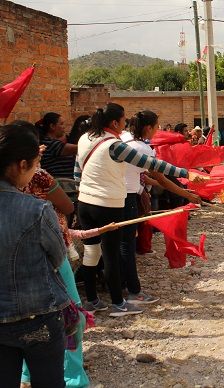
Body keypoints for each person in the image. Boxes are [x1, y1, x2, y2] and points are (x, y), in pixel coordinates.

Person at [75, 103, 201, 317]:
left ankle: (92, 301)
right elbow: (152, 164)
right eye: (124, 120)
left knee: (91, 252)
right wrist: (186, 174)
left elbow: (77, 171)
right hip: (107, 204)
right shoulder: (114, 145)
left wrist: (83, 193)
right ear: (115, 122)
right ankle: (118, 304)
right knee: (111, 254)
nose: (126, 124)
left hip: (85, 203)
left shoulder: (85, 138)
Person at [0, 124, 70, 387]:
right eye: (35, 164)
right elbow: (58, 257)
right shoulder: (37, 209)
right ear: (21, 165)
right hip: (37, 316)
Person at [120, 110, 201, 303]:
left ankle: (118, 286)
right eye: (157, 126)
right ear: (148, 128)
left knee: (114, 245)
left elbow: (144, 175)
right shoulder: (143, 149)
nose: (157, 130)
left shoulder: (123, 139)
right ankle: (132, 291)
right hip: (128, 198)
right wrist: (187, 194)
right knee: (127, 245)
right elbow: (162, 177)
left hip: (113, 196)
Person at [36, 112, 77, 179]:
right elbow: (79, 148)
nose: (64, 127)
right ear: (52, 126)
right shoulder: (50, 144)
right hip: (62, 184)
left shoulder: (48, 142)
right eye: (61, 124)